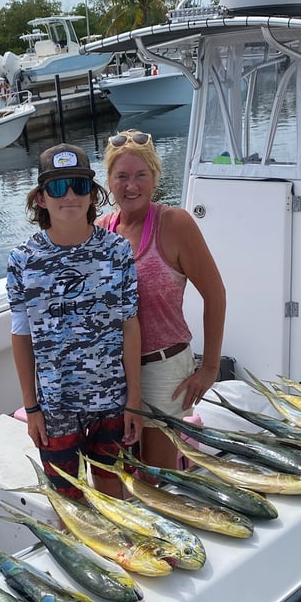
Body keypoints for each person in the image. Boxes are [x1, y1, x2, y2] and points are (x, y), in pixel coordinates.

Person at [6, 141, 143, 500]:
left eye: (79, 185)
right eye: (56, 187)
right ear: (40, 198)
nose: (69, 195)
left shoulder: (117, 251)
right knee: (68, 498)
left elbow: (130, 325)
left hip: (113, 401)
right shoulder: (22, 260)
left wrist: (134, 401)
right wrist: (32, 407)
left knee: (113, 491)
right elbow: (21, 336)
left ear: (92, 194)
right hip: (55, 407)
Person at [97, 128, 226, 473]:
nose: (131, 185)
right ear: (108, 180)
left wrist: (210, 367)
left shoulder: (174, 224)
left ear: (155, 177)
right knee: (123, 470)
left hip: (162, 366)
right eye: (121, 176)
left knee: (157, 474)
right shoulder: (100, 231)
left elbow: (215, 294)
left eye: (141, 175)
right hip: (114, 372)